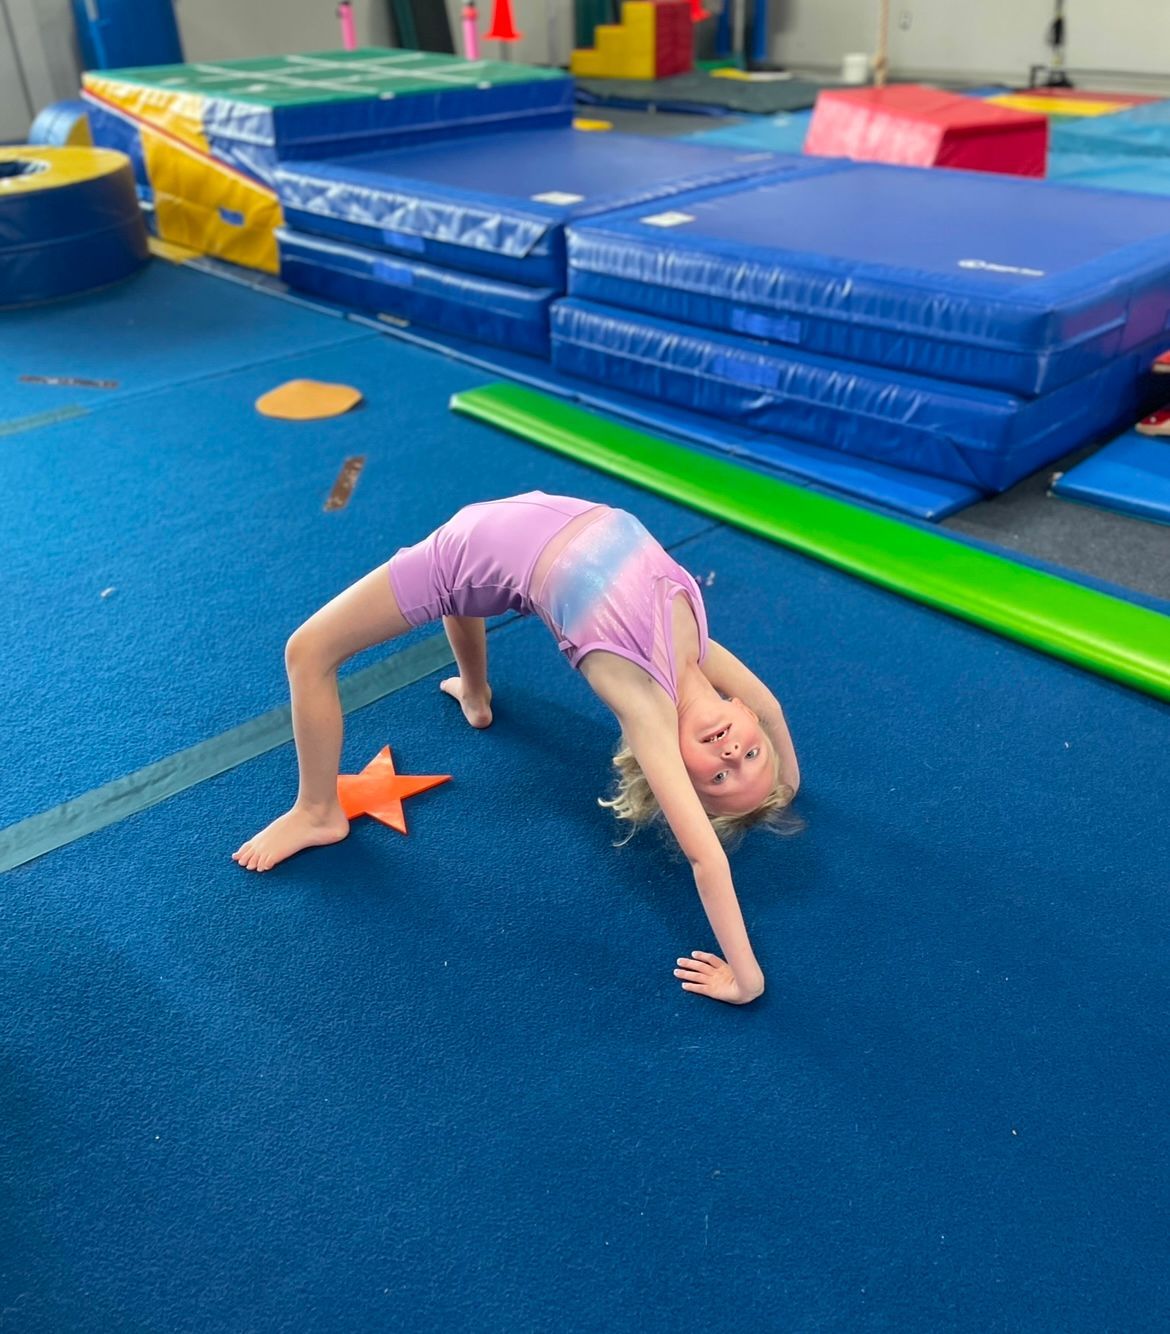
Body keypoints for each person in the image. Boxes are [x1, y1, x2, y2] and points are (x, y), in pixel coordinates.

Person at [233, 492, 801, 1005]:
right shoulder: (696, 648)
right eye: (752, 756)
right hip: (507, 535)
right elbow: (774, 709)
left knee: (307, 652)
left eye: (719, 779)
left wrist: (747, 979)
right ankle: (475, 694)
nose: (732, 756)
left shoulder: (648, 706)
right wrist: (786, 787)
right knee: (465, 591)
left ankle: (317, 812)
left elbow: (706, 857)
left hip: (474, 549)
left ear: (673, 768)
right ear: (743, 714)